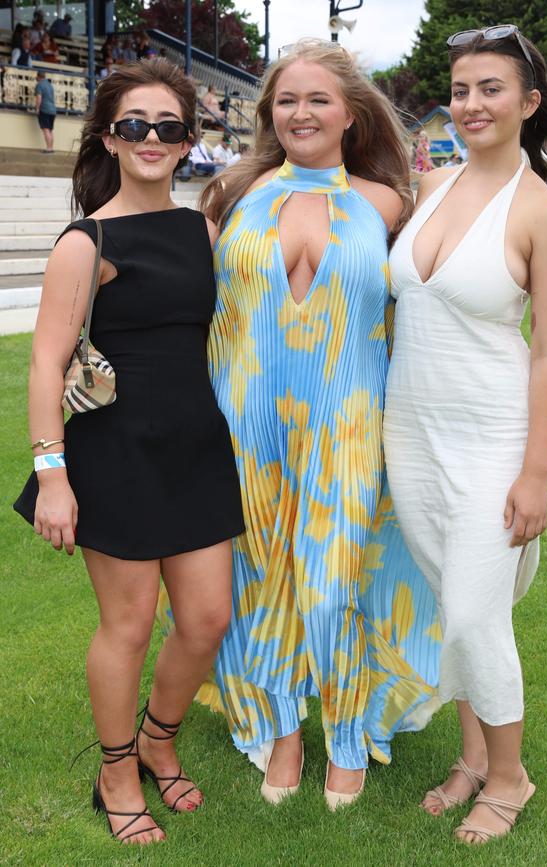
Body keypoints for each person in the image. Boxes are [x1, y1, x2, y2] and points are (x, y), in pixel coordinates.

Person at [159, 38, 442, 810]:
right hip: (243, 424)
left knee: (330, 584)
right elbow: (187, 308)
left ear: (350, 114)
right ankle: (283, 730)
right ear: (268, 114)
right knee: (258, 583)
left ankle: (346, 737)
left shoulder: (391, 205)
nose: (301, 112)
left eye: (318, 98)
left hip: (347, 423)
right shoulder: (231, 196)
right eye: (286, 100)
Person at [13, 58, 244, 845]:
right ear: (110, 137)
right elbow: (45, 361)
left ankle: (158, 736)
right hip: (114, 454)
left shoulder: (200, 229)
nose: (152, 138)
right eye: (135, 125)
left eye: (169, 127)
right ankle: (116, 770)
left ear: (188, 143)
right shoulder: (86, 240)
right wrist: (53, 477)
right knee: (129, 624)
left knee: (208, 616)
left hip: (195, 445)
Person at [384, 25, 547, 845]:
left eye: (490, 88)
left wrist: (534, 475)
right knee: (448, 604)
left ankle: (510, 775)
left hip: (492, 435)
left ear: (528, 103)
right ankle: (470, 756)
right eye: (461, 89)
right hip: (411, 431)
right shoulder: (427, 188)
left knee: (473, 614)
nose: (471, 104)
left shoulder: (544, 212)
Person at [34, 71, 56, 153]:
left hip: (44, 109)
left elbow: (39, 98)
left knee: (46, 129)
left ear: (38, 77)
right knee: (50, 130)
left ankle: (48, 148)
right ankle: (51, 147)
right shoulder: (50, 85)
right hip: (53, 110)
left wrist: (37, 108)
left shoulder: (39, 85)